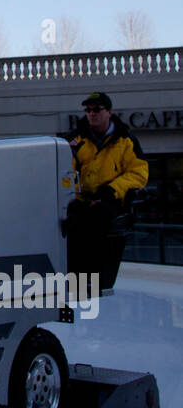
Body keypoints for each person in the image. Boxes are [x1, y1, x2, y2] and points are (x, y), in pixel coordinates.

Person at [66, 91, 148, 288]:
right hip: (81, 201)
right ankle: (73, 277)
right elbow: (65, 172)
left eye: (97, 109)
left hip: (110, 201)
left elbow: (138, 173)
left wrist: (112, 190)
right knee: (70, 221)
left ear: (109, 112)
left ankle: (93, 280)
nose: (92, 114)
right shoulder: (76, 139)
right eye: (88, 110)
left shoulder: (125, 141)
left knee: (98, 219)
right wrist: (69, 153)